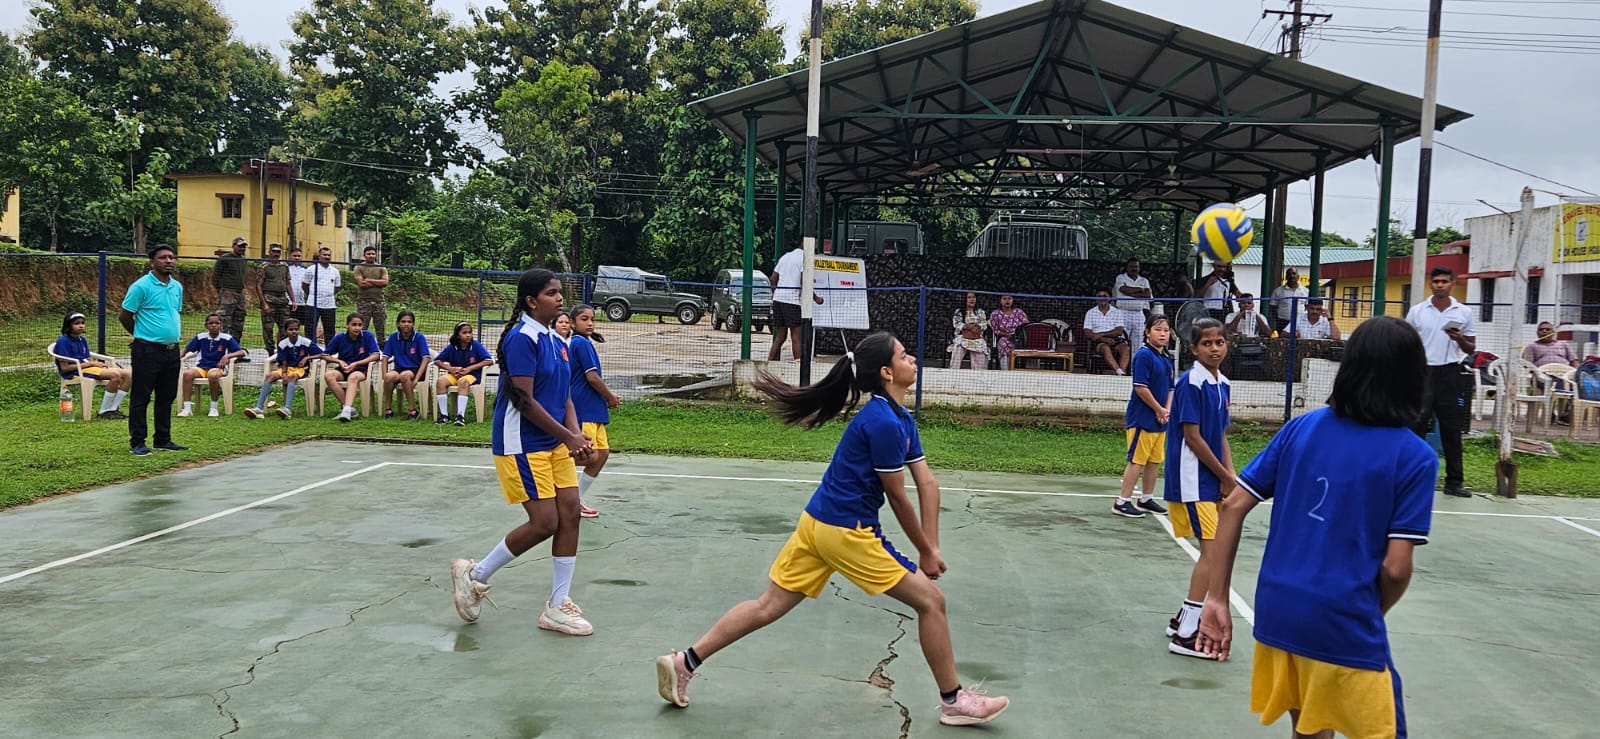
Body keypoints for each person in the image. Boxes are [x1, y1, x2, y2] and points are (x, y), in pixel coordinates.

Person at [652, 332, 1010, 727]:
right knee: (931, 602)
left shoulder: (898, 417)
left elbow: (927, 483)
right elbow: (898, 496)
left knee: (767, 606)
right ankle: (953, 700)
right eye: (905, 356)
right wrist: (925, 550)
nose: (914, 361)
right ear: (888, 372)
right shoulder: (883, 423)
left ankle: (683, 661)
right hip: (846, 531)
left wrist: (934, 547)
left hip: (817, 523)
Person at [1195, 316, 1435, 739]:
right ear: (1412, 376)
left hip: (1278, 612)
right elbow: (1396, 568)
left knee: (1310, 726)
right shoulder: (1414, 456)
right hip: (1343, 618)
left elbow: (1232, 505)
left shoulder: (1301, 428)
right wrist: (1369, 612)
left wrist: (1217, 598)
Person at [449, 268, 597, 636]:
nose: (560, 298)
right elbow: (525, 401)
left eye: (560, 292)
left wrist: (575, 435)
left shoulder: (558, 341)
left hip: (554, 443)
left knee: (570, 515)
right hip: (521, 443)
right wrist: (569, 437)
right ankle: (475, 574)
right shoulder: (521, 338)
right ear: (532, 301)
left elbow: (564, 395)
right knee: (545, 522)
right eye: (551, 293)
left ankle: (557, 606)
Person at [1163, 317, 1233, 659]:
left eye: (1219, 342)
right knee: (1213, 552)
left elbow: (1219, 434)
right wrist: (1221, 476)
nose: (1214, 348)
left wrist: (1230, 477)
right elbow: (1193, 437)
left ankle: (1182, 620)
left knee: (1214, 551)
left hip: (1211, 479)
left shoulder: (1223, 384)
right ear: (1193, 348)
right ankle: (1188, 633)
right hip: (1193, 480)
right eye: (1207, 343)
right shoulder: (1191, 382)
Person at [1406, 266, 1476, 498]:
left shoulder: (1463, 312)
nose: (1439, 285)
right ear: (1430, 284)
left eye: (1444, 281)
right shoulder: (1417, 311)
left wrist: (1460, 338)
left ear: (1452, 283)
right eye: (1436, 281)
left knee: (1451, 429)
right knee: (1415, 426)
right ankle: (1410, 478)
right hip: (1422, 372)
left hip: (1449, 372)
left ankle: (1454, 482)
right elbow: (1407, 341)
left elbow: (1471, 347)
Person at [120, 244, 188, 456]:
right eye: (163, 258)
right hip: (147, 351)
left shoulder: (176, 287)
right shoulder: (141, 286)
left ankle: (163, 439)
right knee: (141, 396)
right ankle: (138, 442)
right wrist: (140, 335)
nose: (169, 261)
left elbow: (174, 313)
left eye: (171, 257)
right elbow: (124, 316)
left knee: (166, 396)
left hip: (171, 350)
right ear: (152, 262)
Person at [1114, 316, 1174, 518]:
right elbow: (1140, 387)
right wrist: (1158, 409)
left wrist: (1166, 410)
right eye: (1158, 330)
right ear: (1148, 332)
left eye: (1166, 330)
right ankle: (1122, 501)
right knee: (1137, 460)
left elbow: (1171, 388)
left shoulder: (1167, 358)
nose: (1163, 334)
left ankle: (1146, 498)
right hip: (1142, 418)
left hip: (1160, 419)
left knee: (1154, 460)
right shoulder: (1144, 355)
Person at [569, 305, 621, 519]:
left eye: (592, 319)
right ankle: (549, 465)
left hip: (594, 408)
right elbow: (592, 377)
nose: (590, 323)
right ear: (573, 323)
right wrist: (610, 396)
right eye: (584, 319)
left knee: (602, 455)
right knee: (591, 456)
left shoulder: (585, 342)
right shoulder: (580, 343)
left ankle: (576, 501)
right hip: (584, 408)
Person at [53, 311, 130, 419]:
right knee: (115, 375)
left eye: (82, 323)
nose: (81, 326)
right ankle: (103, 411)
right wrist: (91, 364)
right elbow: (65, 368)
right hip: (76, 372)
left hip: (88, 368)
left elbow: (85, 358)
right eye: (77, 323)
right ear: (68, 325)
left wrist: (96, 364)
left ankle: (113, 409)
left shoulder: (82, 339)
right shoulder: (63, 341)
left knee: (129, 374)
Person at [245, 319, 323, 420]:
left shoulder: (306, 342)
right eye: (291, 329)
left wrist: (307, 358)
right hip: (287, 368)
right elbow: (283, 361)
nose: (294, 331)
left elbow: (321, 353)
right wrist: (284, 373)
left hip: (302, 369)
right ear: (286, 331)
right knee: (270, 376)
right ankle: (258, 408)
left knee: (293, 377)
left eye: (296, 329)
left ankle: (287, 409)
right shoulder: (283, 344)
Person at [177, 312, 246, 418]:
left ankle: (213, 408)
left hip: (218, 368)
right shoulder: (200, 337)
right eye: (211, 323)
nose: (214, 325)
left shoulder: (227, 338)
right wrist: (178, 358)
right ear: (206, 325)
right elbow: (186, 350)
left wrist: (226, 356)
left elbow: (241, 352)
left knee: (213, 376)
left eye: (217, 323)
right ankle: (187, 408)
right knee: (187, 374)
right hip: (201, 367)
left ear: (221, 326)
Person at [321, 313, 381, 422]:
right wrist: (339, 361)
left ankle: (346, 410)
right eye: (354, 324)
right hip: (344, 368)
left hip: (360, 369)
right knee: (329, 375)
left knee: (353, 378)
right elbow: (325, 355)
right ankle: (349, 409)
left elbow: (376, 355)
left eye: (359, 325)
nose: (357, 328)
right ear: (347, 325)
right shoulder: (340, 337)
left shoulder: (367, 336)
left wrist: (357, 363)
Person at [768, 245, 823, 362]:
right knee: (796, 336)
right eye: (815, 248)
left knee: (780, 336)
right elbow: (805, 282)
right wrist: (816, 298)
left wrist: (775, 294)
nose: (815, 250)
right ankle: (798, 364)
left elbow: (773, 279)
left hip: (778, 300)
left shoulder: (785, 257)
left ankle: (769, 362)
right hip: (792, 301)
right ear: (805, 243)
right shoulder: (804, 259)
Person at [434, 321, 494, 426]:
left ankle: (460, 416)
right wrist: (451, 369)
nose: (468, 335)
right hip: (454, 375)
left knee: (463, 381)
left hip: (472, 375)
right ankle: (444, 416)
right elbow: (437, 361)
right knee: (440, 381)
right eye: (464, 333)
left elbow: (489, 360)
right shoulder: (452, 347)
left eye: (470, 332)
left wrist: (469, 369)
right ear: (457, 335)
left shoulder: (476, 346)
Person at [381, 310, 431, 420]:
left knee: (405, 376)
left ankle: (413, 410)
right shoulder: (394, 337)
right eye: (403, 321)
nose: (406, 324)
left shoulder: (419, 337)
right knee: (389, 377)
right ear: (398, 324)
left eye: (409, 322)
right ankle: (388, 409)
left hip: (415, 370)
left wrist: (417, 378)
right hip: (399, 369)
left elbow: (426, 358)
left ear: (413, 324)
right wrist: (384, 375)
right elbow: (385, 357)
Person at [214, 237, 251, 359]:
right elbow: (215, 277)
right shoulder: (225, 258)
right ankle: (221, 351)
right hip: (227, 292)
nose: (242, 248)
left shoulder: (243, 259)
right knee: (224, 322)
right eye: (240, 246)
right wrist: (222, 291)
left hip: (239, 293)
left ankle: (235, 351)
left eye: (244, 246)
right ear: (233, 245)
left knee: (238, 322)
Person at [257, 243, 297, 354]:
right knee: (268, 327)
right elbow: (258, 285)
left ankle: (283, 350)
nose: (276, 254)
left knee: (285, 326)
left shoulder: (284, 266)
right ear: (269, 253)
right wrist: (264, 303)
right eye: (274, 252)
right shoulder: (264, 267)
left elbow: (288, 283)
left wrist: (293, 300)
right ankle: (270, 350)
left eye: (278, 252)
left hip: (282, 299)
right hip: (269, 299)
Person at [1083, 289, 1131, 375]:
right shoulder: (1090, 313)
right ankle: (1119, 372)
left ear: (1110, 298)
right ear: (1096, 298)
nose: (1102, 298)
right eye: (1099, 296)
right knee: (1105, 348)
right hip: (1098, 341)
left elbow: (1119, 331)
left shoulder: (1117, 312)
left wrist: (1102, 334)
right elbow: (1087, 332)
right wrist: (1103, 338)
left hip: (1114, 339)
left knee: (1126, 348)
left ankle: (1121, 374)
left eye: (1105, 296)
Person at [301, 244, 342, 344]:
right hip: (313, 304)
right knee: (310, 329)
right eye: (324, 255)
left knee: (330, 329)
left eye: (328, 255)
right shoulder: (311, 269)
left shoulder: (335, 271)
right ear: (319, 256)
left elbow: (337, 287)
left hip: (329, 304)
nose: (327, 257)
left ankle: (329, 352)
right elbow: (305, 285)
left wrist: (328, 294)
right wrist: (313, 294)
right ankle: (310, 350)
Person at [352, 245, 390, 340]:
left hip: (379, 302)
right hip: (364, 302)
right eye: (369, 254)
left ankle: (382, 345)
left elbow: (385, 282)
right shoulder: (359, 267)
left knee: (381, 326)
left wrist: (369, 280)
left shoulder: (382, 268)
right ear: (364, 255)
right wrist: (378, 282)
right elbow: (362, 284)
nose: (371, 255)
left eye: (373, 254)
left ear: (376, 255)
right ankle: (361, 344)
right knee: (362, 326)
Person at [1114, 257, 1153, 343]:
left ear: (1139, 268)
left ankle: (1135, 357)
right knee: (1123, 340)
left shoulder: (1144, 280)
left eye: (1136, 267)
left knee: (1138, 340)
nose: (1133, 269)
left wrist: (1130, 293)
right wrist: (1140, 289)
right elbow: (1123, 289)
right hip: (1123, 313)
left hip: (1138, 314)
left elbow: (1147, 294)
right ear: (1127, 268)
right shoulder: (1121, 277)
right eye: (1131, 266)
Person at [948, 292, 989, 370]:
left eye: (973, 297)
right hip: (963, 337)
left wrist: (976, 327)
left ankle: (979, 374)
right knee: (958, 348)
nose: (972, 299)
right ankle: (953, 372)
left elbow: (984, 324)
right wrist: (967, 326)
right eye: (969, 297)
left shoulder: (980, 312)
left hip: (977, 338)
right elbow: (956, 323)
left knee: (980, 350)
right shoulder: (959, 312)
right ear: (965, 300)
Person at [988, 295, 1029, 370]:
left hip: (1020, 339)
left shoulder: (1019, 312)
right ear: (1000, 301)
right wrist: (1007, 335)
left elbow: (1026, 326)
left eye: (1009, 299)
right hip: (1005, 338)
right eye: (1004, 299)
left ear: (1013, 300)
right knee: (1002, 343)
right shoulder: (996, 314)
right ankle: (1005, 371)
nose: (1007, 301)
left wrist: (1017, 336)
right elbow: (995, 330)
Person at [286, 246, 314, 338]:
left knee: (300, 325)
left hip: (301, 302)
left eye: (299, 256)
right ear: (290, 256)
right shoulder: (286, 268)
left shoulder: (305, 270)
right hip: (288, 302)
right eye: (294, 255)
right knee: (285, 326)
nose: (297, 258)